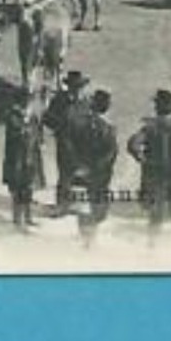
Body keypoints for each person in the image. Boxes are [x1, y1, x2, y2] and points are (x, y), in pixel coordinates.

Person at [128, 89, 171, 241]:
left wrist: (143, 159)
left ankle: (152, 248)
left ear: (157, 107)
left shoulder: (150, 127)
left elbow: (133, 144)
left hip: (157, 178)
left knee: (156, 215)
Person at [45, 70, 92, 215]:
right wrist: (60, 128)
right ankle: (62, 204)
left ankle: (77, 204)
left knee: (82, 171)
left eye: (78, 87)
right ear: (69, 87)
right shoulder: (59, 100)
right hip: (64, 142)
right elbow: (47, 119)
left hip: (82, 143)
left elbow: (92, 121)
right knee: (65, 172)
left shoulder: (87, 102)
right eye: (73, 87)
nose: (76, 90)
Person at [78, 89, 119, 246]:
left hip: (85, 170)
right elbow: (112, 152)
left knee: (85, 204)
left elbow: (71, 146)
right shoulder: (108, 127)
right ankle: (90, 238)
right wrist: (99, 166)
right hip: (99, 173)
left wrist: (80, 165)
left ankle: (87, 237)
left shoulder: (81, 122)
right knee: (95, 206)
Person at [2, 94, 44, 231]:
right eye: (27, 104)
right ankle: (17, 218)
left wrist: (39, 141)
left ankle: (28, 217)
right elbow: (17, 135)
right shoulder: (12, 117)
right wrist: (26, 127)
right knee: (17, 190)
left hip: (31, 158)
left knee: (29, 189)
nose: (29, 107)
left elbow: (38, 135)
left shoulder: (33, 118)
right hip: (16, 159)